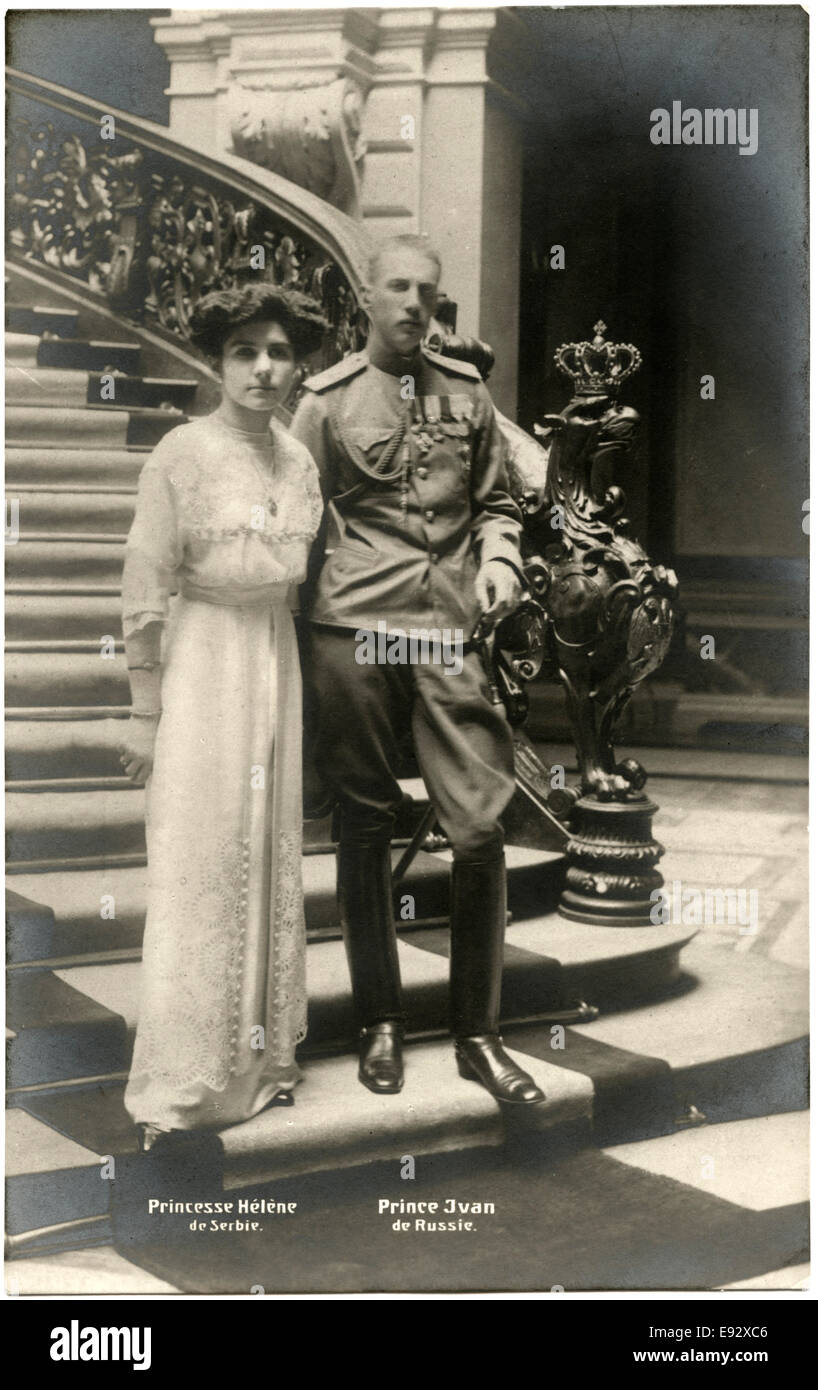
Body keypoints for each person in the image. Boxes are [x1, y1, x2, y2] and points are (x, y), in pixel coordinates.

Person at [290, 234, 545, 1106]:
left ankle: (479, 1035)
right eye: (396, 287)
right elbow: (291, 522)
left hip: (443, 631)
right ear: (364, 296)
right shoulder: (322, 402)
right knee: (364, 823)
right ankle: (381, 1025)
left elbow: (498, 502)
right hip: (355, 626)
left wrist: (502, 557)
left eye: (426, 292)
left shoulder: (467, 396)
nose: (412, 304)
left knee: (478, 829)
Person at [119, 284, 326, 1149]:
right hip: (203, 661)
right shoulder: (180, 451)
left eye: (278, 352)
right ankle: (186, 1073)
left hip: (271, 658)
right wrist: (143, 708)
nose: (265, 368)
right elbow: (144, 581)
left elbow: (300, 587)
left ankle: (260, 1059)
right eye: (245, 352)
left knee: (266, 850)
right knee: (200, 851)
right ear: (218, 361)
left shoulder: (299, 462)